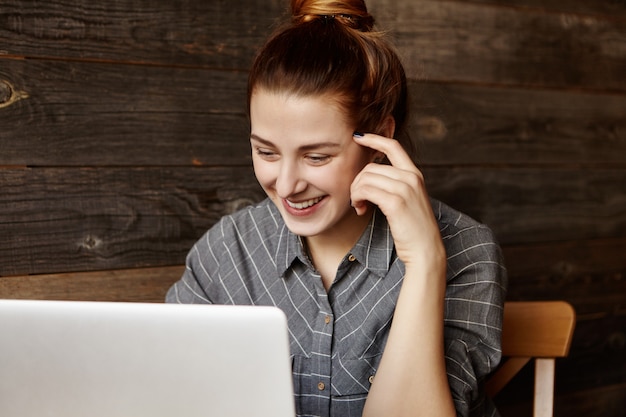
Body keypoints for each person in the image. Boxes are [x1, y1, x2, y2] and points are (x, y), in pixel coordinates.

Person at [166, 0, 507, 416]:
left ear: (379, 140)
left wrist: (425, 261)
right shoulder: (225, 253)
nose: (287, 185)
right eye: (266, 152)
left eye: (317, 157)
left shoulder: (465, 250)